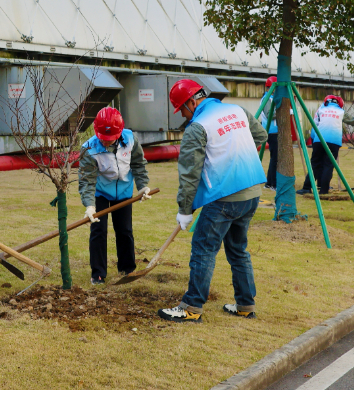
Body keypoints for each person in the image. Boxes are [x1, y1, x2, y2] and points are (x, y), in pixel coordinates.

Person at [158, 78, 267, 324]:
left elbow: (189, 174)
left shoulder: (197, 127)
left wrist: (185, 210)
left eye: (182, 110)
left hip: (225, 199)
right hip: (252, 192)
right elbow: (260, 135)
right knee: (238, 250)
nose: (183, 116)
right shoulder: (236, 110)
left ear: (190, 102)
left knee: (203, 249)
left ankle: (191, 307)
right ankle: (245, 304)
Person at [79, 107, 152, 284]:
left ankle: (127, 269)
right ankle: (98, 274)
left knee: (125, 230)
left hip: (125, 191)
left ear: (118, 134)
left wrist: (142, 187)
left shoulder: (131, 139)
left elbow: (138, 164)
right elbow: (87, 181)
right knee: (98, 230)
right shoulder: (89, 149)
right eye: (102, 138)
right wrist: (90, 205)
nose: (104, 142)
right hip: (101, 193)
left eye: (108, 138)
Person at [298, 95, 354, 196]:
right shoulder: (341, 112)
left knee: (314, 164)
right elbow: (352, 120)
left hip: (319, 140)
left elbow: (315, 124)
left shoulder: (321, 109)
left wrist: (314, 140)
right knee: (328, 165)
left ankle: (306, 188)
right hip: (334, 141)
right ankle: (324, 190)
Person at [258, 76, 279, 190]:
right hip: (272, 131)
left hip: (273, 130)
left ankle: (270, 183)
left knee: (274, 158)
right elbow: (269, 114)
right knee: (275, 158)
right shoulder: (267, 99)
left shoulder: (270, 98)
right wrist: (283, 111)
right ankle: (273, 183)